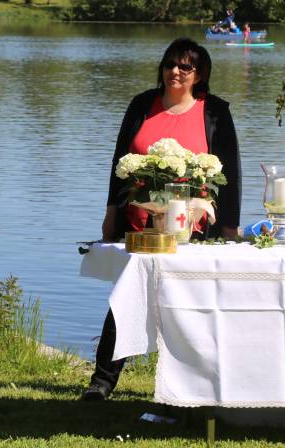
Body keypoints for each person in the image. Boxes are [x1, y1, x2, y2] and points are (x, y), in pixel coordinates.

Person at [82, 37, 241, 401]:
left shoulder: (215, 111)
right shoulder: (141, 105)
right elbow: (118, 166)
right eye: (171, 64)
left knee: (191, 308)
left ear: (200, 74)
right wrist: (110, 213)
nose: (176, 72)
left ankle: (192, 386)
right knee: (124, 301)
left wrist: (229, 227)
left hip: (195, 232)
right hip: (139, 229)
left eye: (186, 67)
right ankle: (101, 384)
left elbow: (230, 174)